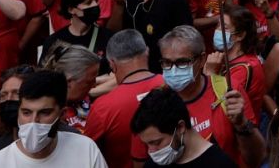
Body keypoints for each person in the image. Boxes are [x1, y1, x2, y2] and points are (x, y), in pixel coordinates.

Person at [149, 27, 262, 167]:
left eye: (182, 62)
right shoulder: (156, 102)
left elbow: (257, 158)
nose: (173, 70)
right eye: (166, 63)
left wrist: (242, 123)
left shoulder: (227, 90)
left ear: (202, 60)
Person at [0, 70, 104, 168]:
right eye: (26, 113)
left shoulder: (86, 149)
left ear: (62, 114)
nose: (33, 121)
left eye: (44, 113)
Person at [80, 30, 162, 168]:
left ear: (112, 64)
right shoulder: (171, 86)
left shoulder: (103, 107)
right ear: (147, 51)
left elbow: (85, 154)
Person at [130, 86, 235, 168]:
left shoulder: (220, 164)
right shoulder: (153, 165)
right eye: (147, 144)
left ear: (181, 127)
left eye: (157, 142)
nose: (152, 151)